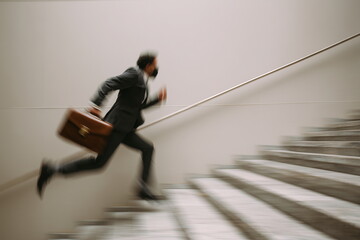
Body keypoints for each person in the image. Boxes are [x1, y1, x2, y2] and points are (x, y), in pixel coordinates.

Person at [37, 52, 167, 200]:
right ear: (148, 65)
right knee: (99, 163)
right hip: (117, 126)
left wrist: (157, 99)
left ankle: (143, 187)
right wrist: (97, 104)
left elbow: (137, 107)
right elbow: (109, 83)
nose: (156, 68)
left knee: (148, 148)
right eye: (155, 64)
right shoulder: (134, 74)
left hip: (126, 129)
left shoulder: (143, 81)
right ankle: (53, 169)